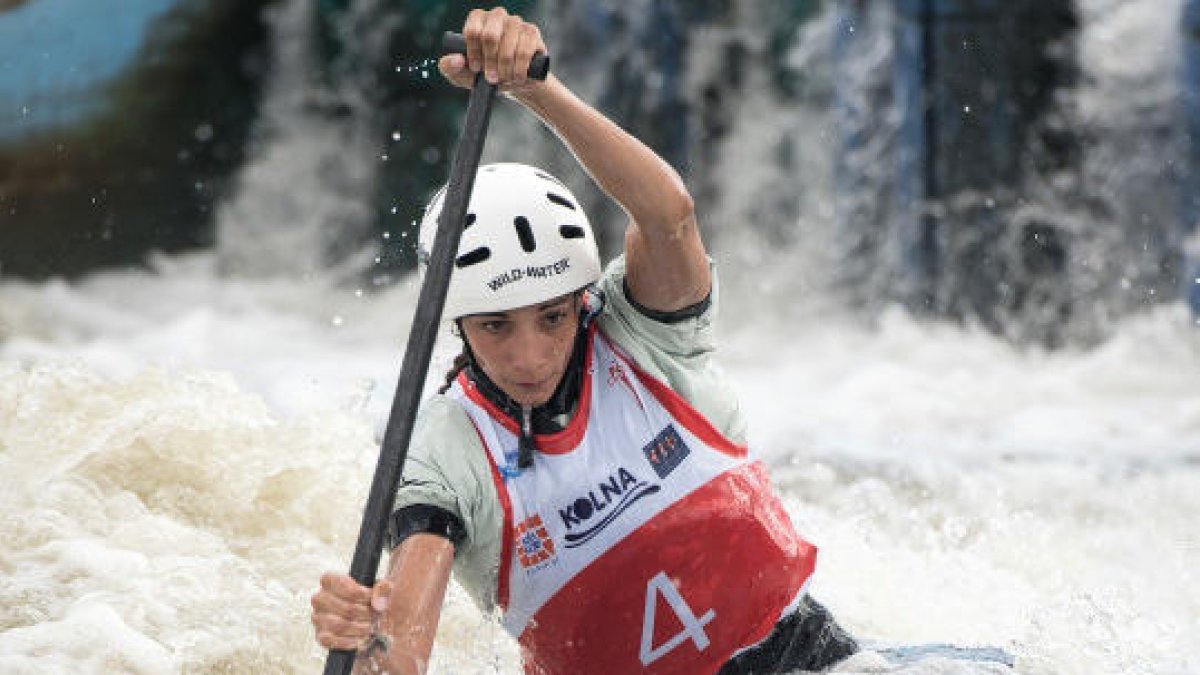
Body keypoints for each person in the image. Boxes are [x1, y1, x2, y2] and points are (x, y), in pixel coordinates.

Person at [311, 8, 858, 675]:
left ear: (580, 299)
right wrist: (368, 640)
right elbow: (401, 657)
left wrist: (536, 91)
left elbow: (669, 217)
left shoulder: (642, 334)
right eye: (495, 326)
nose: (530, 356)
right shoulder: (444, 452)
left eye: (552, 317)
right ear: (456, 323)